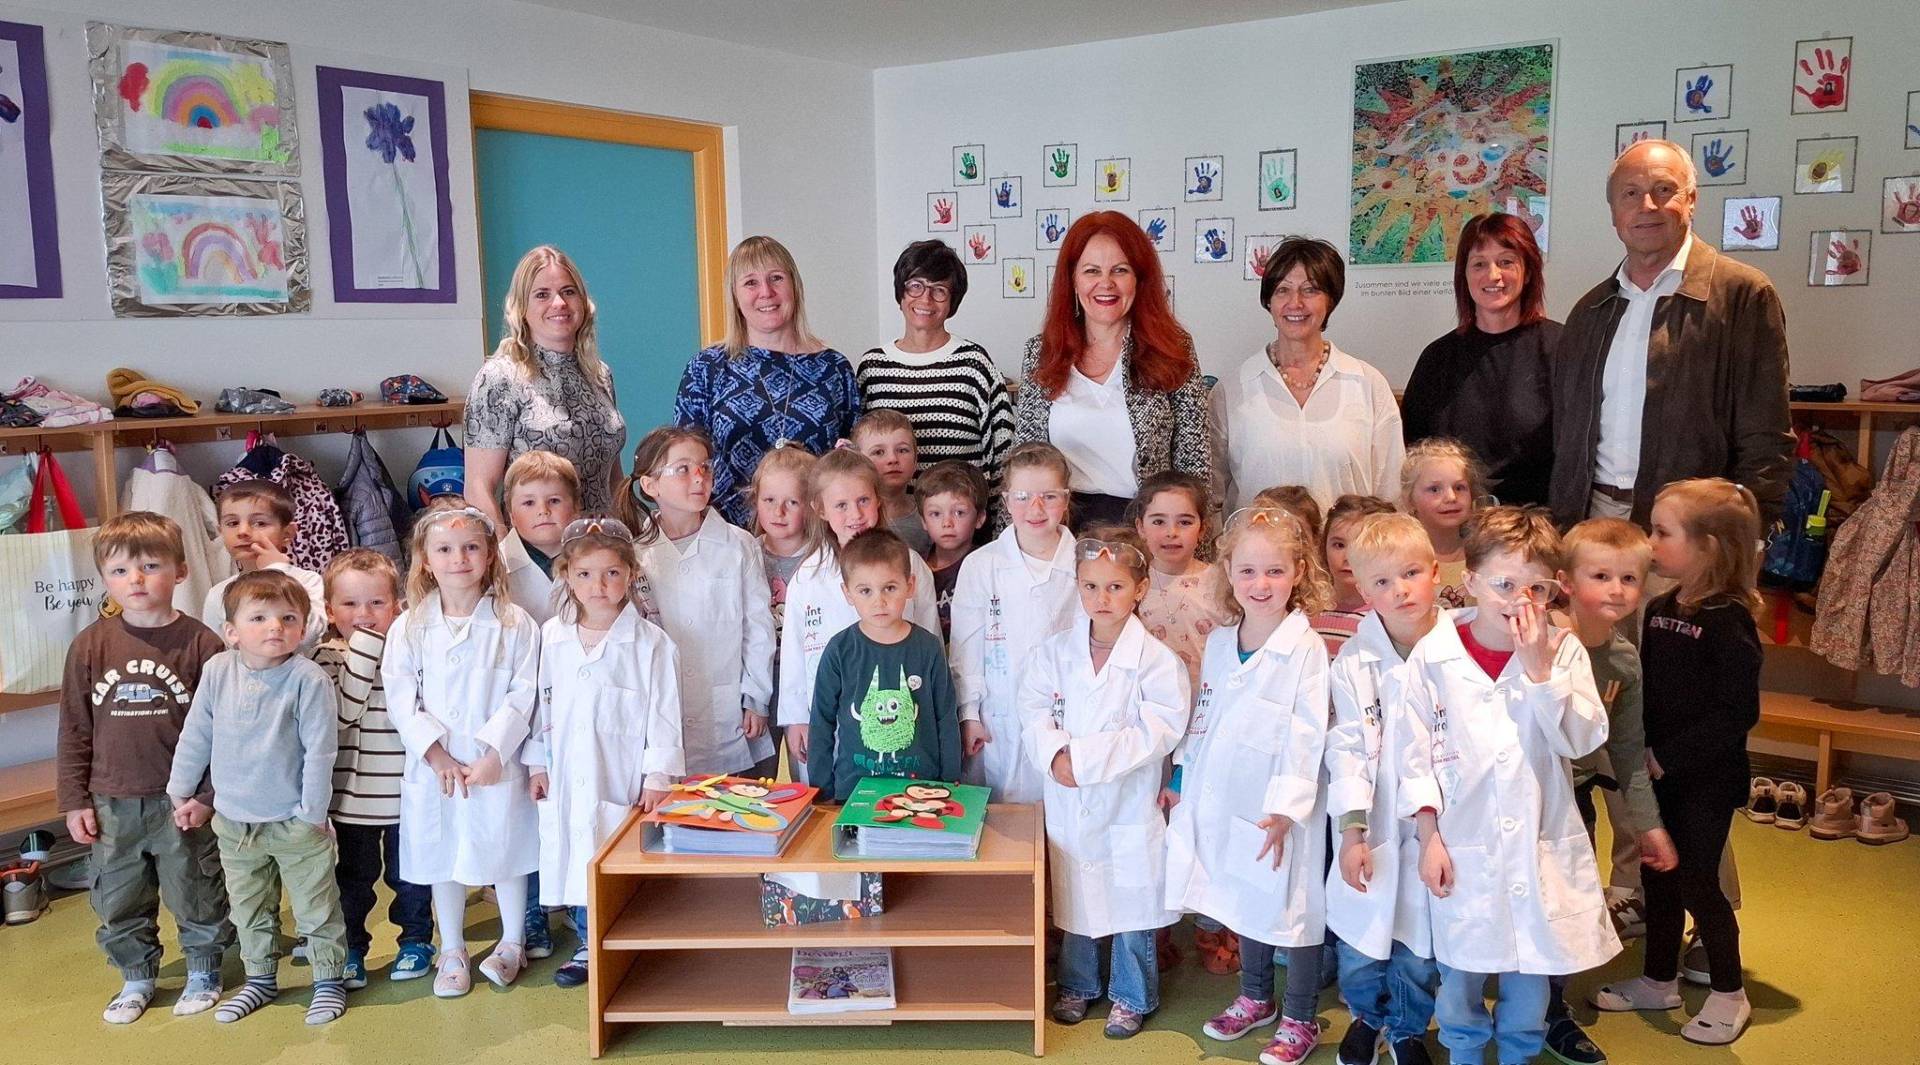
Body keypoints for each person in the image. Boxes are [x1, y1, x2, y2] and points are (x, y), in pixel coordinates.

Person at [1401, 507, 1618, 1065]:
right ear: (1469, 580)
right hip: (1459, 844)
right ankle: (1466, 1053)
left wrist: (1539, 671)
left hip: (1538, 845)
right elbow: (1414, 756)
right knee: (1461, 974)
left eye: (1535, 587)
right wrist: (1429, 839)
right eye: (1503, 583)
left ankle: (1520, 1052)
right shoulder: (1434, 654)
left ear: (1553, 590)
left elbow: (1580, 740)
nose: (1518, 601)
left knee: (1531, 975)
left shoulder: (1562, 650)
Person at [1593, 480, 1764, 1046]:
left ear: (1709, 546)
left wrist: (1669, 757)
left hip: (1705, 781)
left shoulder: (1729, 619)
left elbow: (1737, 712)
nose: (1650, 541)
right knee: (1656, 876)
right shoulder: (1662, 607)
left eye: (1663, 532)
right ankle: (1658, 978)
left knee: (1697, 882)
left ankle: (1729, 992)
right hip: (1657, 775)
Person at [1548, 140, 1792, 528]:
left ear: (1691, 200)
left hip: (1696, 526)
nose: (1647, 206)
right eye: (1630, 194)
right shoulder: (1590, 310)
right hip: (1593, 521)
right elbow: (1566, 436)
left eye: (1664, 190)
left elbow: (1766, 436)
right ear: (1614, 213)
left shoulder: (1743, 294)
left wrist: (1750, 535)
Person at [1164, 508, 1333, 1065]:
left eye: (1275, 572)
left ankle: (1300, 1016)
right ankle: (1256, 996)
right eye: (1248, 571)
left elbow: (1308, 731)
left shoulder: (1305, 647)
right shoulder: (1219, 642)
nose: (1261, 585)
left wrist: (1287, 807)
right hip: (1225, 794)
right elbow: (1204, 712)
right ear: (1228, 574)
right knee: (1244, 900)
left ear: (1298, 572)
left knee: (1296, 912)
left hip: (1282, 805)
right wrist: (1184, 774)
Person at [59, 512, 233, 1024]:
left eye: (150, 566)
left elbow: (223, 733)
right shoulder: (90, 645)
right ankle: (136, 976)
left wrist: (206, 796)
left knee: (194, 886)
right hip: (111, 800)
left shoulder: (203, 644)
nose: (134, 580)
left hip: (180, 800)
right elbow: (74, 728)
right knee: (118, 893)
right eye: (119, 571)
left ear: (179, 571)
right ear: (105, 578)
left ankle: (204, 967)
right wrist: (73, 800)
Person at [1020, 526, 1189, 1039]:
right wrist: (1054, 756)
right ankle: (1077, 983)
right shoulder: (1053, 652)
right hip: (1068, 796)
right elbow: (1032, 708)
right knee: (1076, 893)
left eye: (1115, 587)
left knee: (1132, 901)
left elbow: (1159, 728)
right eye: (1091, 586)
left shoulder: (1158, 661)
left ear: (1139, 590)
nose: (1102, 598)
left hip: (1126, 801)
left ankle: (1132, 995)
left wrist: (1085, 760)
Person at [166, 569, 347, 1025]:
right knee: (249, 908)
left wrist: (312, 813)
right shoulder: (217, 671)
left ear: (304, 627)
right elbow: (197, 734)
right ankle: (260, 979)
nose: (275, 628)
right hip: (234, 822)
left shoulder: (308, 679)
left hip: (294, 821)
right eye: (260, 617)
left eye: (288, 618)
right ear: (231, 631)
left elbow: (320, 750)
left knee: (315, 907)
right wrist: (181, 790)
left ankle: (327, 981)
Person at [382, 500, 541, 997]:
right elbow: (401, 698)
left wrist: (494, 753)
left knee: (506, 852)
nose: (459, 558)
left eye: (472, 547)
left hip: (495, 764)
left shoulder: (517, 625)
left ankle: (511, 942)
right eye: (445, 549)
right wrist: (436, 755)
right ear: (425, 560)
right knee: (442, 856)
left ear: (490, 555)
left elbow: (524, 692)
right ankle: (452, 947)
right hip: (437, 768)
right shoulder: (408, 627)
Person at [525, 517, 685, 989]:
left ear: (631, 574)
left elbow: (664, 713)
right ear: (567, 577)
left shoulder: (652, 645)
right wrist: (537, 760)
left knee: (614, 857)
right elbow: (538, 702)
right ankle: (585, 942)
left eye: (612, 573)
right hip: (564, 771)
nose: (599, 585)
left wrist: (658, 777)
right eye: (586, 574)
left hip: (623, 779)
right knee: (576, 857)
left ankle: (625, 941)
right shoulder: (550, 638)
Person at [1541, 518, 1675, 1064]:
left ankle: (1551, 1011)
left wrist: (1649, 825)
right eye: (1601, 575)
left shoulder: (1622, 661)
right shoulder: (1538, 636)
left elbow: (1628, 751)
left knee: (1564, 907)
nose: (1617, 590)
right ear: (1566, 581)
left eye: (1629, 578)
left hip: (1573, 799)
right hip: (1508, 797)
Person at [1324, 513, 1446, 1065]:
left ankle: (1406, 1027)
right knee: (1360, 939)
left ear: (1436, 572)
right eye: (1381, 582)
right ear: (1360, 588)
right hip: (1371, 819)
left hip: (1435, 822)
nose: (1399, 591)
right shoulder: (1354, 659)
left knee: (1420, 941)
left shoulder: (1457, 649)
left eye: (1411, 573)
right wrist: (1351, 833)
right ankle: (1366, 1014)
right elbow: (1348, 747)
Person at [1014, 212, 1212, 526]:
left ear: (1139, 279)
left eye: (1120, 270)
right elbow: (1023, 462)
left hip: (1147, 533)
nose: (1106, 283)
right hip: (1058, 533)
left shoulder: (1173, 347)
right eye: (1091, 270)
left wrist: (1194, 556)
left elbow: (1195, 465)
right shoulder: (1042, 352)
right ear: (1073, 280)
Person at [620, 427, 777, 778]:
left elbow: (758, 628)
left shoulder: (739, 546)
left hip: (729, 714)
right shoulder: (634, 555)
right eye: (683, 469)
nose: (699, 478)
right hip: (664, 716)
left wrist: (755, 696)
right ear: (650, 485)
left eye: (705, 467)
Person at [777, 450, 942, 781]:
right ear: (820, 509)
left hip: (898, 720)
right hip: (824, 724)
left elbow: (930, 645)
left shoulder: (911, 567)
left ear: (878, 501)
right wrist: (796, 717)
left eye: (863, 500)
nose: (855, 514)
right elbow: (793, 654)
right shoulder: (807, 577)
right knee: (829, 807)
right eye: (841, 505)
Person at [675, 236, 861, 527]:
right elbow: (685, 463)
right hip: (727, 541)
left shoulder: (834, 368)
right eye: (751, 282)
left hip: (816, 540)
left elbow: (851, 465)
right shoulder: (706, 368)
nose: (766, 292)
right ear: (734, 296)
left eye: (776, 278)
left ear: (795, 287)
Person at [315, 549, 434, 990]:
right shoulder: (325, 658)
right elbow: (344, 712)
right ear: (330, 611)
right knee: (353, 882)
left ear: (398, 605)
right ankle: (351, 948)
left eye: (377, 603)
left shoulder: (410, 650)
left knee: (410, 879)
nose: (364, 614)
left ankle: (417, 941)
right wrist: (365, 646)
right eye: (350, 604)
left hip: (406, 794)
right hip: (351, 802)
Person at [1213, 237, 1404, 512]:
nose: (1296, 303)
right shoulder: (1233, 390)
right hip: (1257, 553)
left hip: (1348, 552)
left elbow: (1391, 494)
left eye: (1310, 290)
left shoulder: (1367, 384)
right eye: (1282, 290)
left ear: (1331, 299)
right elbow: (1211, 497)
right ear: (1268, 300)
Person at [1402, 212, 1559, 508]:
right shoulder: (1437, 359)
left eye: (1506, 262)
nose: (1493, 275)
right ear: (1464, 275)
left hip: (1535, 528)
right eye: (1479, 264)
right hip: (1454, 526)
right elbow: (1416, 454)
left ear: (1528, 272)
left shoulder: (1561, 349)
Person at [951, 443, 1079, 804]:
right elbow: (966, 649)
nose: (1035, 509)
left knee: (1060, 814)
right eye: (1022, 497)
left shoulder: (1084, 563)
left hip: (1067, 716)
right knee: (1000, 820)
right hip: (997, 715)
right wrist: (969, 712)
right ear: (1006, 500)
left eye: (1049, 496)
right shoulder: (981, 565)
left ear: (1066, 499)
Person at [465, 245, 628, 521]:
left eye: (568, 291)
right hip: (538, 549)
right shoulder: (499, 378)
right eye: (542, 294)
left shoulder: (599, 375)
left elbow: (613, 476)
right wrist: (507, 558)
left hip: (602, 548)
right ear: (521, 308)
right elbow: (479, 488)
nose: (559, 303)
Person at [806, 529, 962, 802]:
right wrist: (821, 792)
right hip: (855, 792)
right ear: (847, 593)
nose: (879, 601)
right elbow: (821, 723)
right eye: (865, 591)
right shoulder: (839, 650)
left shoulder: (928, 648)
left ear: (910, 586)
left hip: (923, 792)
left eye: (890, 588)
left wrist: (951, 784)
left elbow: (946, 719)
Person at [859, 239, 1015, 490]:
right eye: (915, 286)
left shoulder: (974, 364)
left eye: (939, 290)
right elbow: (857, 458)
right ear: (901, 292)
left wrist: (997, 526)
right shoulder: (872, 368)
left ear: (952, 301)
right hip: (888, 524)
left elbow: (1004, 455)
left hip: (962, 524)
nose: (926, 299)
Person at [200, 480, 326, 653]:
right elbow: (217, 654)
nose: (242, 531)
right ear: (220, 531)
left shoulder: (307, 581)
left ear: (288, 533)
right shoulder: (218, 594)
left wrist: (275, 572)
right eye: (232, 523)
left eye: (259, 523)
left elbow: (309, 635)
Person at [1132, 471, 1226, 698]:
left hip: (1206, 708)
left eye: (1184, 522)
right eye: (1158, 521)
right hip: (1149, 708)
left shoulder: (1222, 583)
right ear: (1141, 527)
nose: (1171, 532)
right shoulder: (1130, 583)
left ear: (1202, 529)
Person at [750, 445, 817, 750]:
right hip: (759, 675)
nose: (779, 512)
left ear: (813, 506)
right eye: (769, 500)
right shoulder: (746, 552)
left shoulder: (821, 559)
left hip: (805, 679)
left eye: (792, 502)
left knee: (802, 759)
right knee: (757, 771)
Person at [1400, 439, 1489, 610]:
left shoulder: (1484, 557)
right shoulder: (1400, 559)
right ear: (1409, 499)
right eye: (1434, 489)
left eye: (1459, 488)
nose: (1451, 497)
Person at [498, 450, 580, 626]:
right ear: (511, 516)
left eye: (554, 500)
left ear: (575, 509)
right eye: (529, 503)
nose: (543, 510)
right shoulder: (495, 565)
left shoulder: (596, 559)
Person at [916, 459, 990, 642]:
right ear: (923, 521)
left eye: (959, 512)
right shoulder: (915, 566)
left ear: (980, 518)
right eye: (935, 514)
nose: (947, 523)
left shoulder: (987, 567)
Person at [1315, 494, 1397, 655]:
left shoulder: (1389, 614)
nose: (1348, 557)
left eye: (1361, 545)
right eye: (1339, 545)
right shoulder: (1308, 609)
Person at [852, 408, 931, 553]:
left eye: (902, 450)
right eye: (878, 452)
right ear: (858, 462)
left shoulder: (931, 513)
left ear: (915, 460)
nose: (892, 459)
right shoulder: (853, 519)